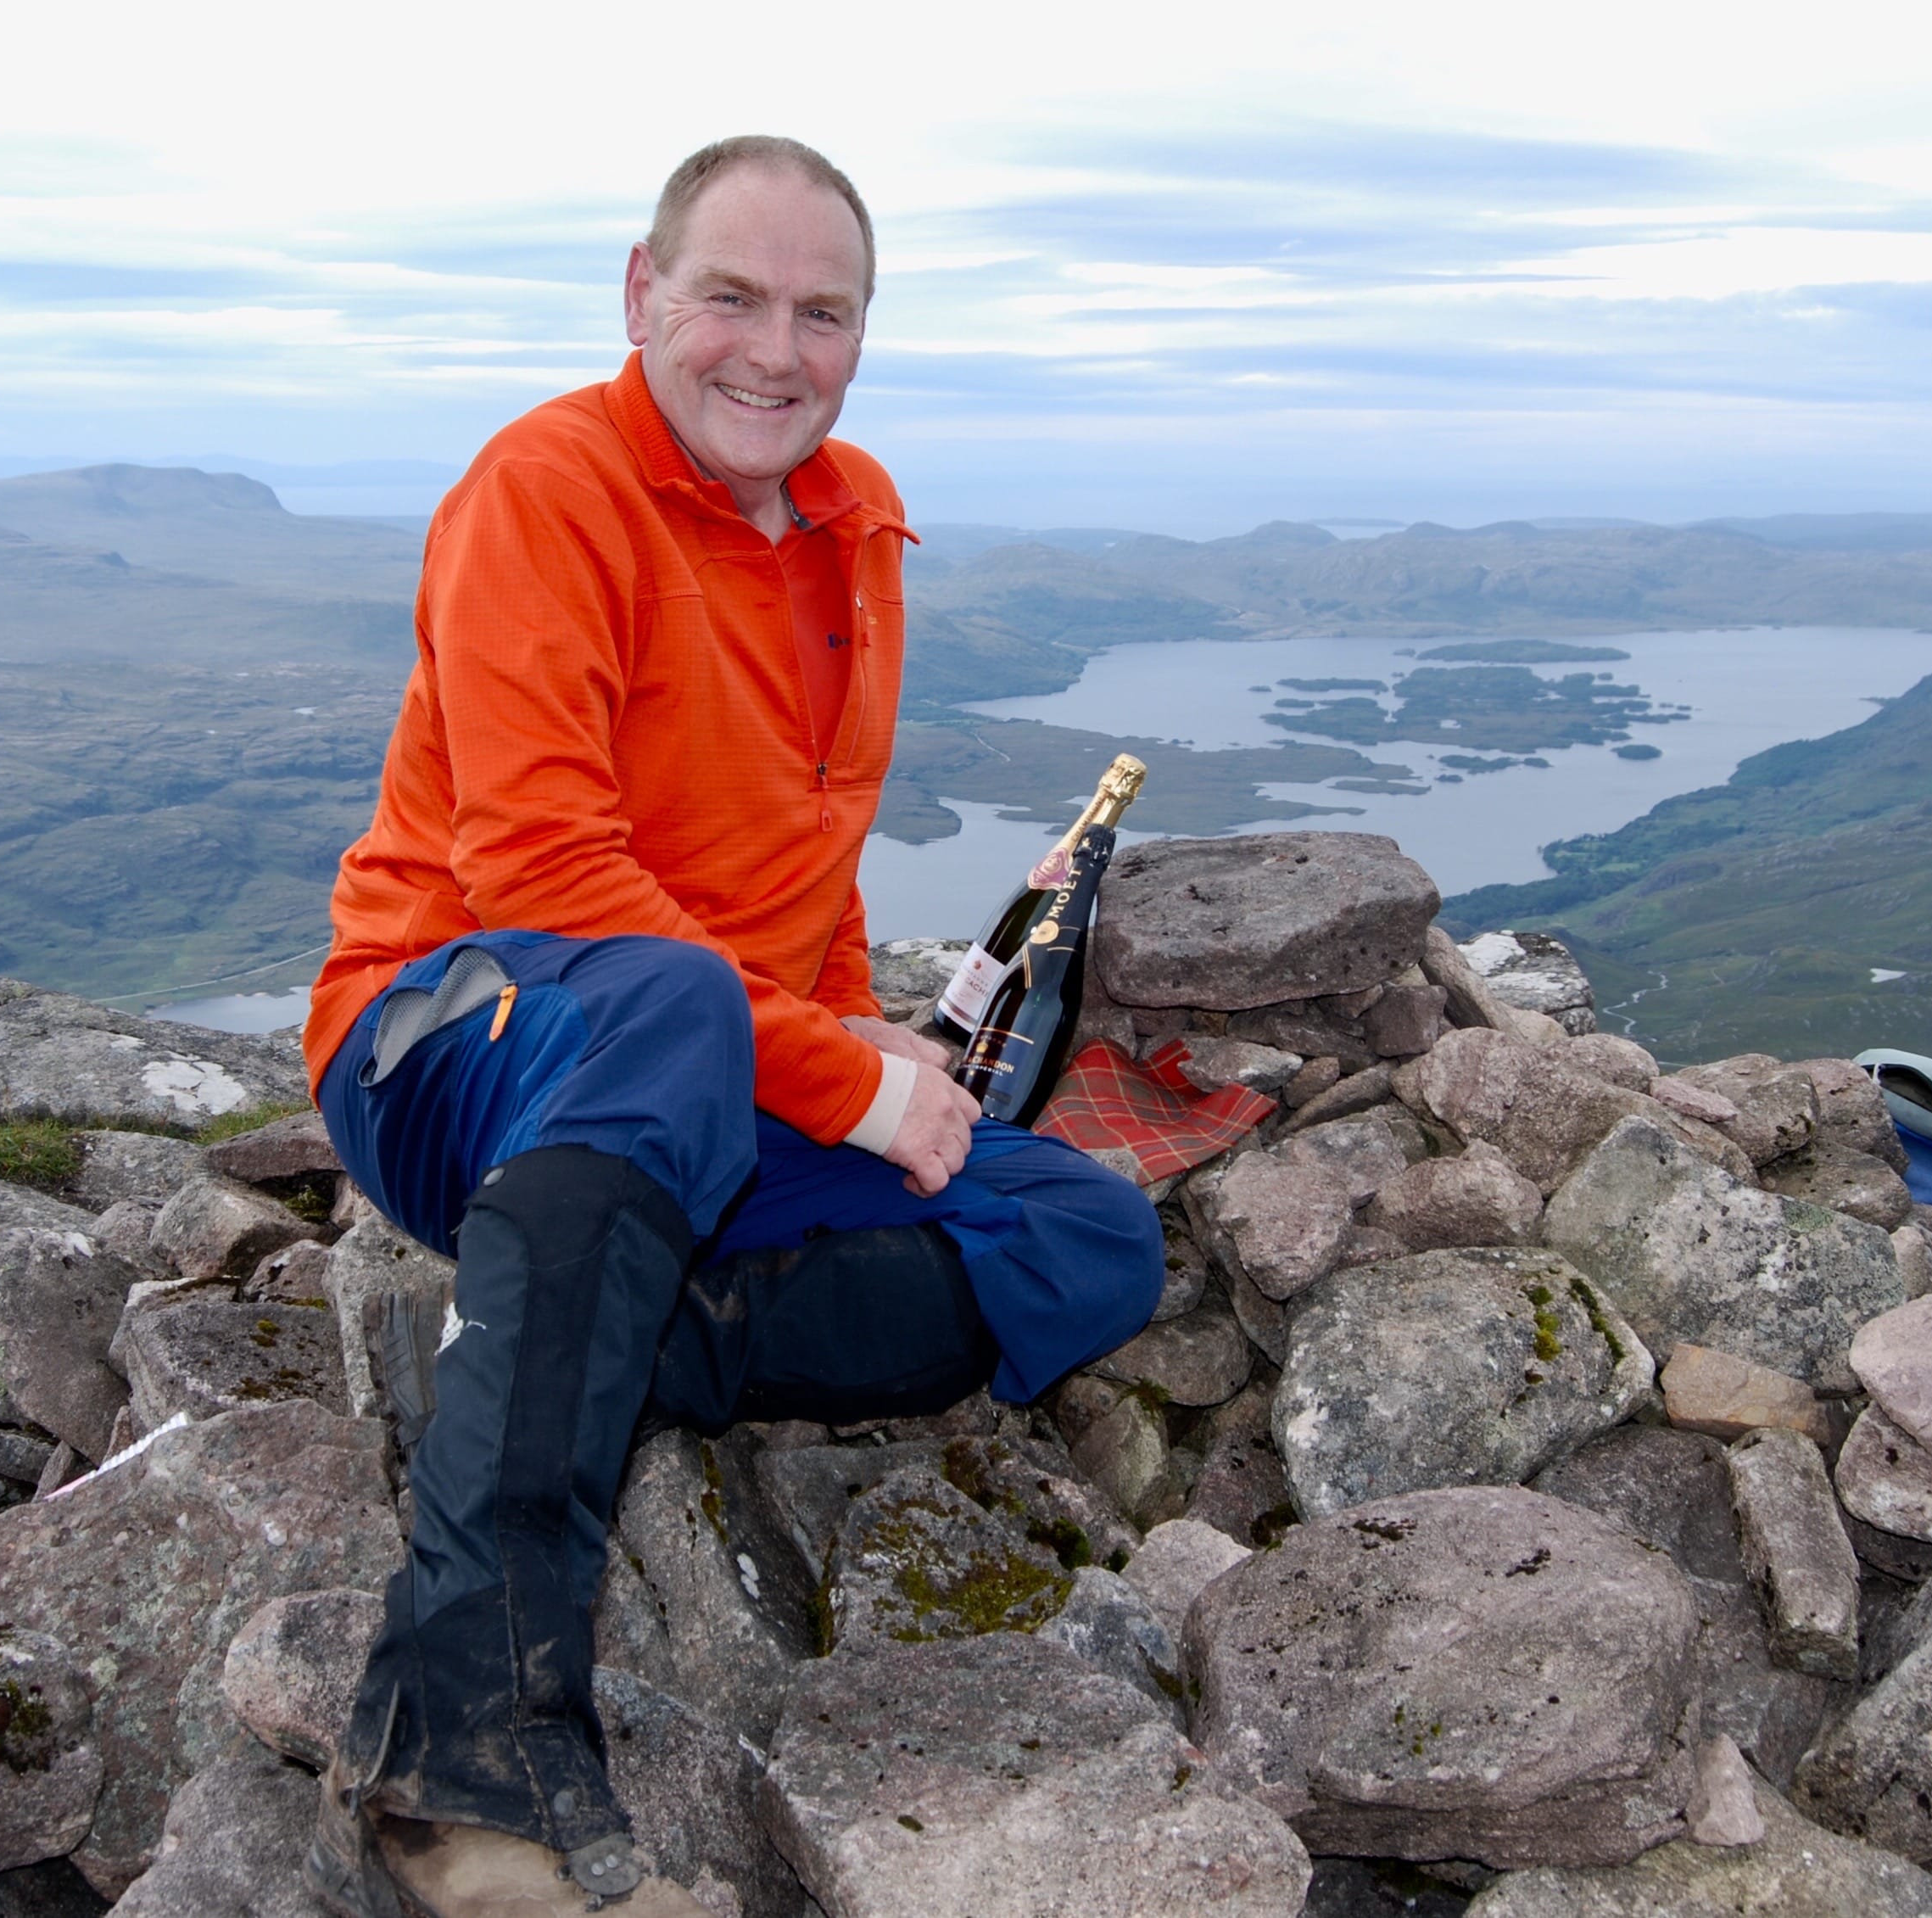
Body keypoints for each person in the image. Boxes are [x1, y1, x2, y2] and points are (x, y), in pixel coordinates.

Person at [299, 135, 1164, 1917]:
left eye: (822, 313)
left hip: (697, 1065)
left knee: (1084, 1233)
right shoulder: (544, 490)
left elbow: (807, 852)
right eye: (731, 297)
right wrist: (840, 1076)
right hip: (455, 1037)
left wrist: (865, 1040)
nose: (776, 350)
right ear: (642, 295)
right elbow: (538, 867)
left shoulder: (855, 525)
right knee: (681, 1005)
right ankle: (461, 1759)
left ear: (860, 338)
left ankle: (558, 1343)